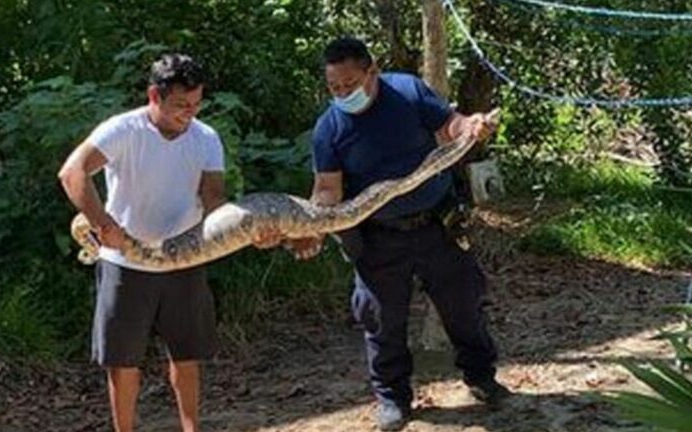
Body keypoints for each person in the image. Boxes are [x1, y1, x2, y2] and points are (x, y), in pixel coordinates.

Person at [292, 37, 511, 431]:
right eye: (334, 88)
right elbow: (327, 190)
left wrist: (472, 126)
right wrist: (313, 228)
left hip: (436, 225)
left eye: (349, 84)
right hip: (377, 238)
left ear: (371, 72)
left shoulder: (407, 91)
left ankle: (482, 377)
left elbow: (451, 126)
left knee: (463, 303)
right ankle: (393, 398)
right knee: (380, 319)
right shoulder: (330, 128)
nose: (342, 93)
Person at [58, 53, 278, 432]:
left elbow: (213, 203)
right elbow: (72, 172)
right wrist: (103, 222)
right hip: (125, 261)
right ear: (154, 96)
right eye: (180, 105)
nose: (188, 114)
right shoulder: (122, 130)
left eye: (195, 105)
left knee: (187, 354)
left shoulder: (206, 138)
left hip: (185, 257)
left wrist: (249, 232)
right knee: (123, 360)